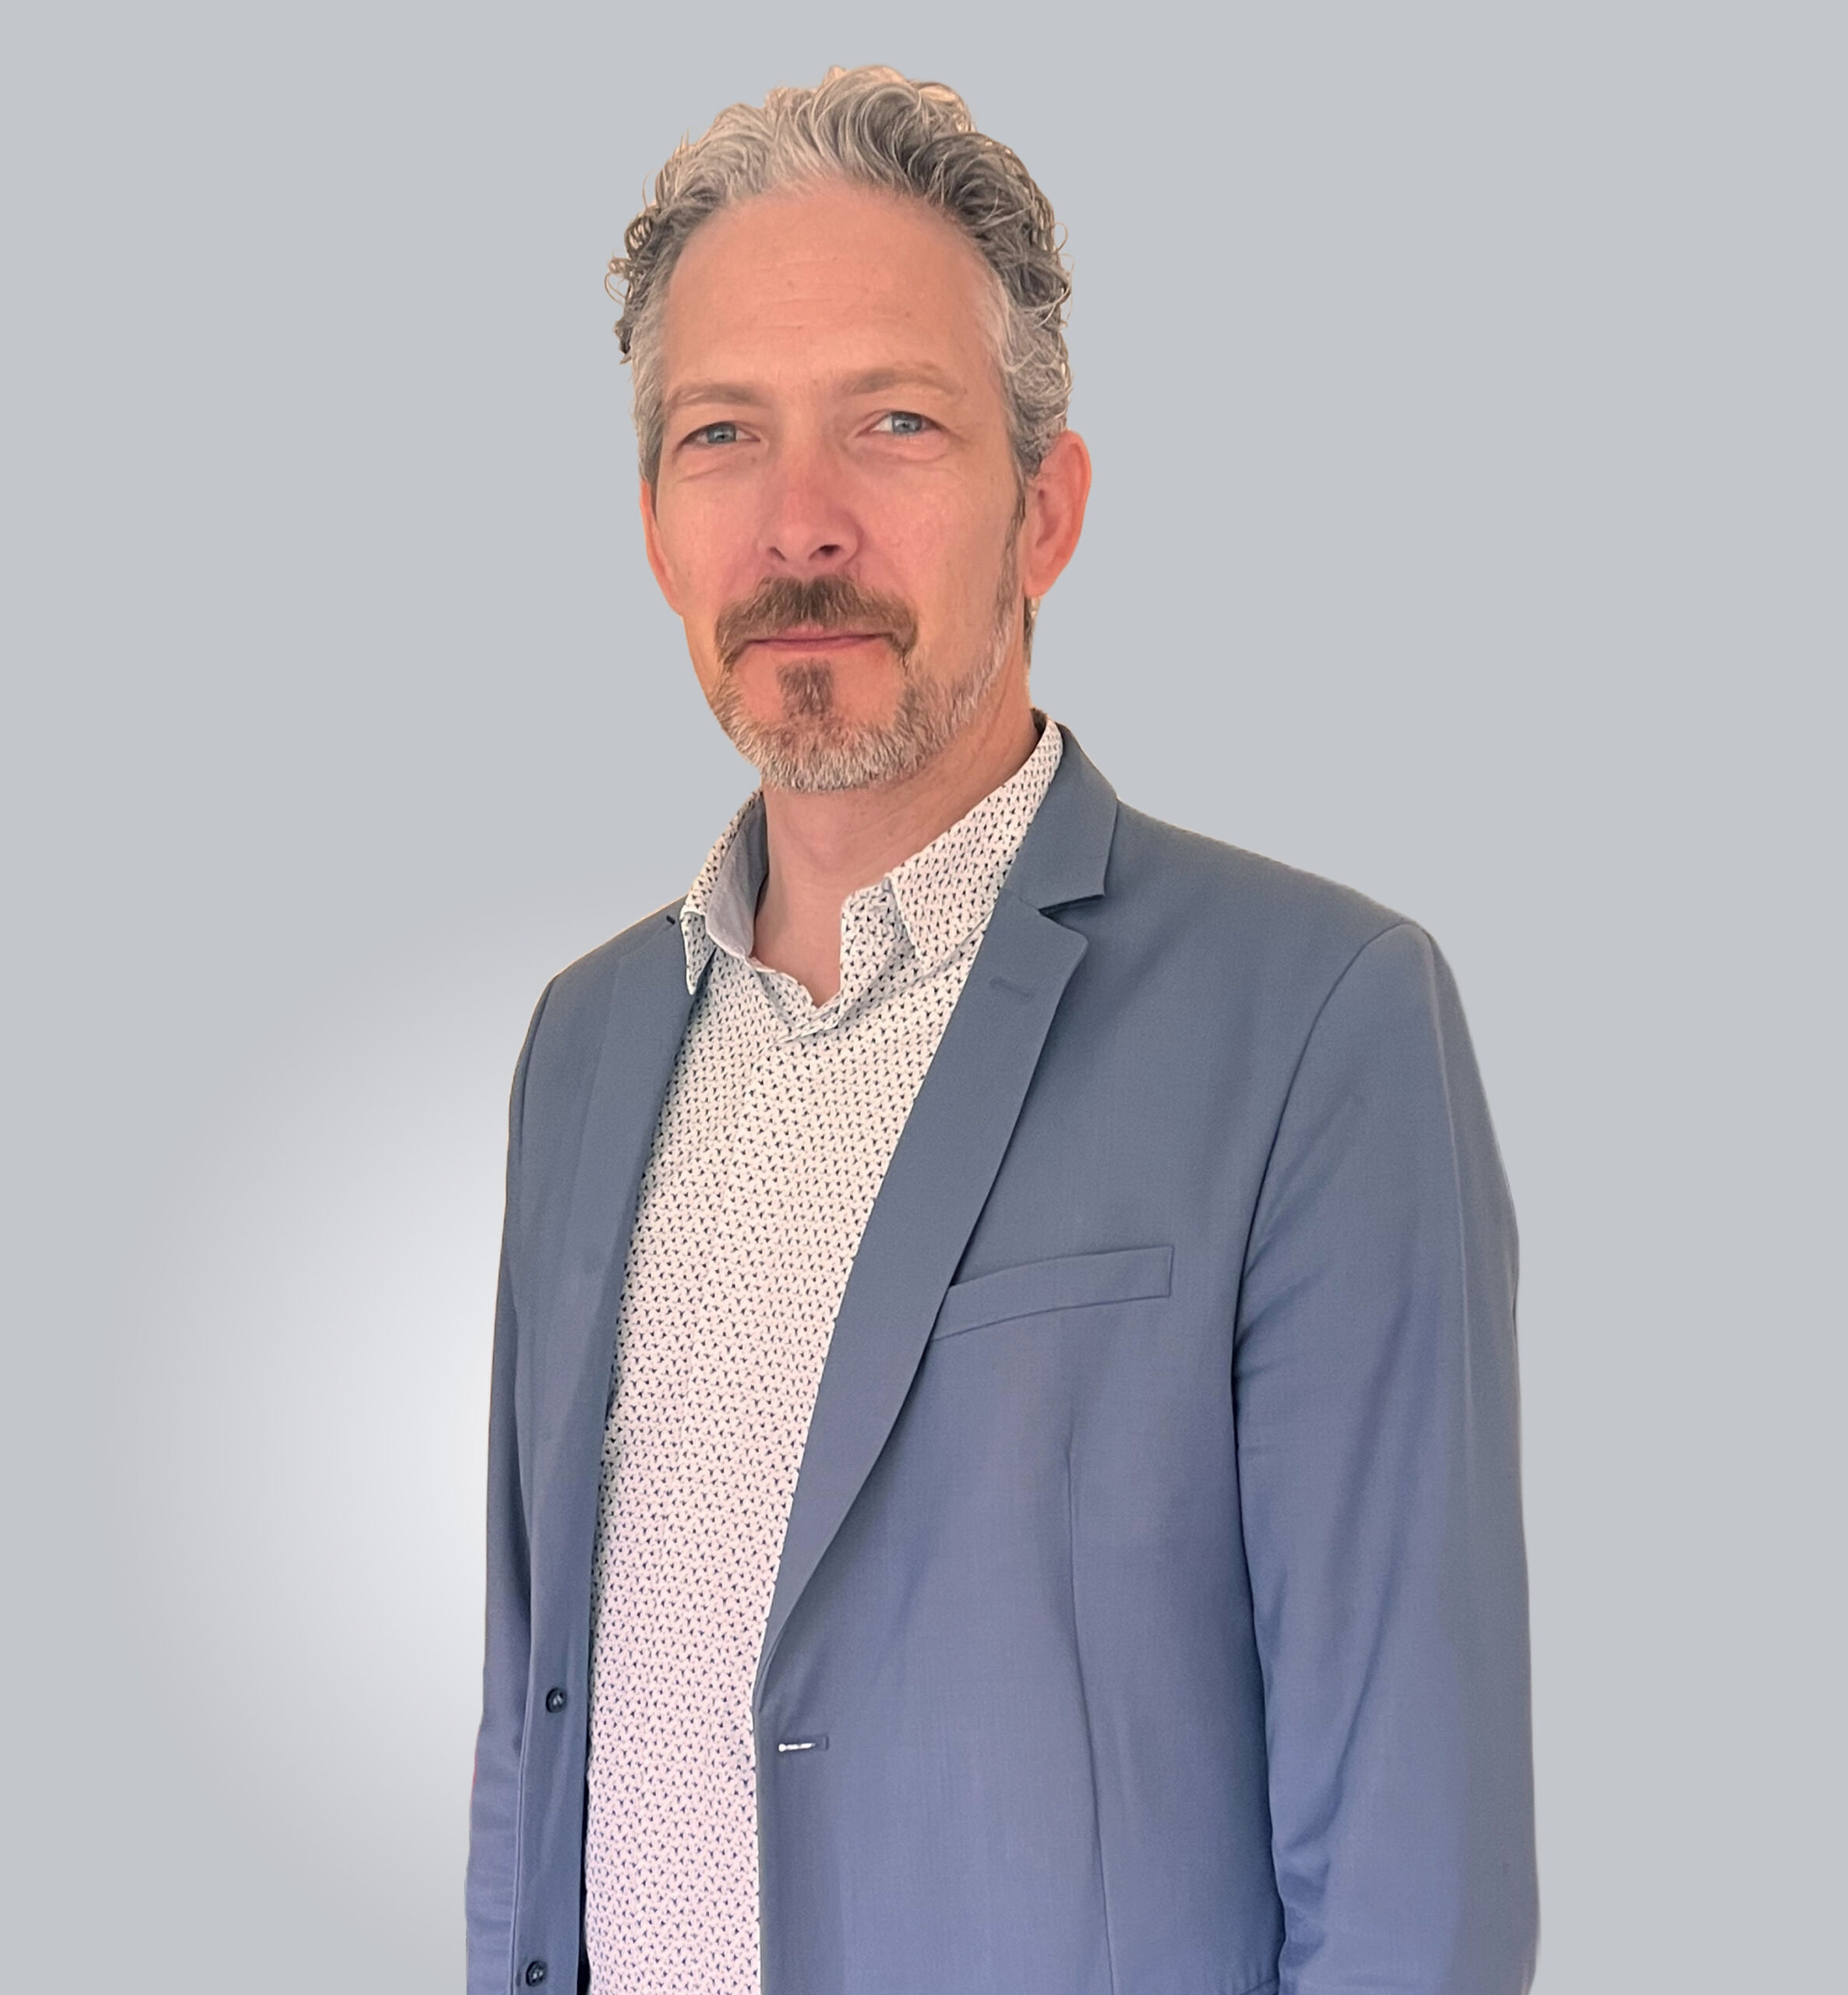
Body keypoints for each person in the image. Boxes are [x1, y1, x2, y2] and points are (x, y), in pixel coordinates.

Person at [465, 65, 1537, 1995]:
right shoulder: (584, 1044)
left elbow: (1410, 1868)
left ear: (1043, 507)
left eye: (893, 421)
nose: (799, 523)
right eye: (723, 435)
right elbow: (533, 1722)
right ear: (653, 527)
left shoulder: (1316, 1022)